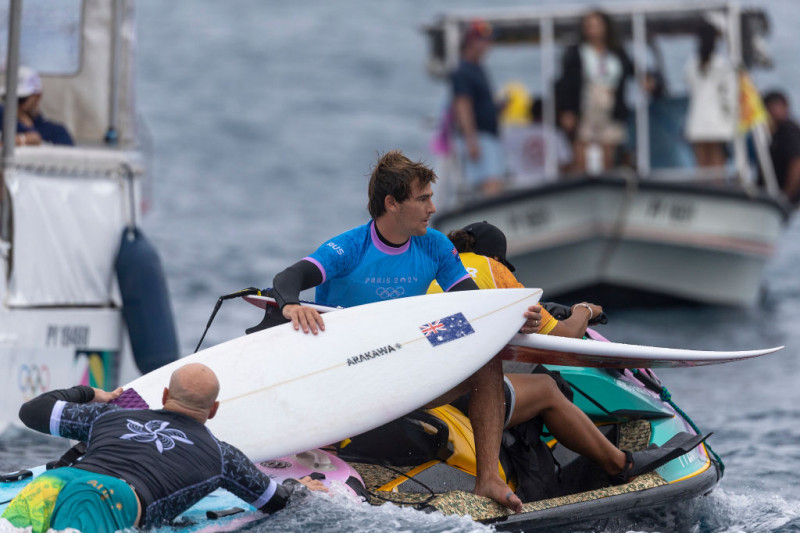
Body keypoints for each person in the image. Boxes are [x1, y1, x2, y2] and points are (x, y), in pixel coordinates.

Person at [271, 150, 543, 513]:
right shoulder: (351, 247)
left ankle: (488, 479)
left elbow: (473, 305)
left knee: (486, 361)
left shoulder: (434, 245)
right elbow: (289, 277)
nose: (433, 208)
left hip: (405, 365)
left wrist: (516, 318)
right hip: (348, 373)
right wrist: (290, 304)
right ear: (392, 203)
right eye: (423, 198)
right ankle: (311, 450)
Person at [429, 221, 704, 488]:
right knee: (547, 388)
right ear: (497, 257)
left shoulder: (435, 269)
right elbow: (566, 336)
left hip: (429, 385)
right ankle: (621, 465)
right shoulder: (492, 268)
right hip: (464, 391)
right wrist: (585, 310)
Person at [1, 363, 325, 532]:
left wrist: (90, 393)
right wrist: (300, 488)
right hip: (104, 498)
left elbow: (32, 411)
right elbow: (275, 503)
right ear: (213, 410)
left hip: (52, 483)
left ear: (165, 393)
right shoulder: (222, 457)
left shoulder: (110, 414)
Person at [557, 10, 632, 173]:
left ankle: (606, 189)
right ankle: (581, 189)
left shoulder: (617, 52)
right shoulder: (577, 52)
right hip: (586, 104)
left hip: (610, 105)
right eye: (589, 25)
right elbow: (567, 83)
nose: (593, 29)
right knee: (582, 147)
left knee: (608, 150)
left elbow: (630, 71)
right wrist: (568, 109)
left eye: (597, 25)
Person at [451, 19, 506, 196]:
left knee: (495, 181)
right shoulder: (463, 70)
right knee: (491, 183)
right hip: (479, 137)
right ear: (471, 41)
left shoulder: (478, 69)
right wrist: (471, 139)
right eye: (483, 40)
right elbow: (463, 104)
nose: (487, 46)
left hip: (487, 135)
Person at [684, 22, 736, 168]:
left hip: (697, 121)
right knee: (717, 166)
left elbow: (689, 85)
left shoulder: (691, 65)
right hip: (718, 123)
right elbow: (729, 96)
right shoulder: (722, 65)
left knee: (702, 167)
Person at [0, 65, 74, 147]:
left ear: (37, 96)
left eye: (21, 99)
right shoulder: (3, 124)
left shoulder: (56, 132)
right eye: (9, 99)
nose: (15, 105)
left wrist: (27, 127)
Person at [763, 90, 800, 205]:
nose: (773, 111)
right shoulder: (773, 133)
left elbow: (796, 163)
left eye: (776, 106)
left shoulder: (788, 129)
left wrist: (786, 196)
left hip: (784, 200)